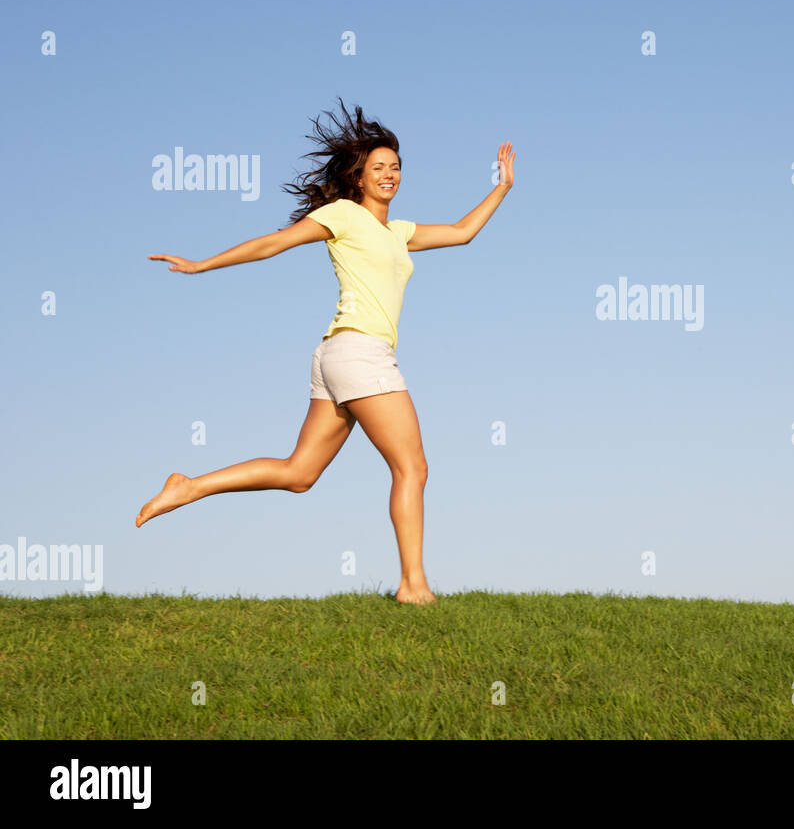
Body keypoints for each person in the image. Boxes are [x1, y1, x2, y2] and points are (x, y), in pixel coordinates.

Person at [136, 99, 515, 606]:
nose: (389, 174)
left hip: (337, 356)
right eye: (378, 167)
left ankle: (189, 485)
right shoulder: (343, 216)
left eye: (396, 167)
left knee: (300, 473)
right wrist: (203, 265)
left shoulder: (397, 233)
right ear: (358, 177)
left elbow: (463, 233)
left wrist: (503, 186)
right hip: (360, 353)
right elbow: (276, 243)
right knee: (413, 468)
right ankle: (413, 586)